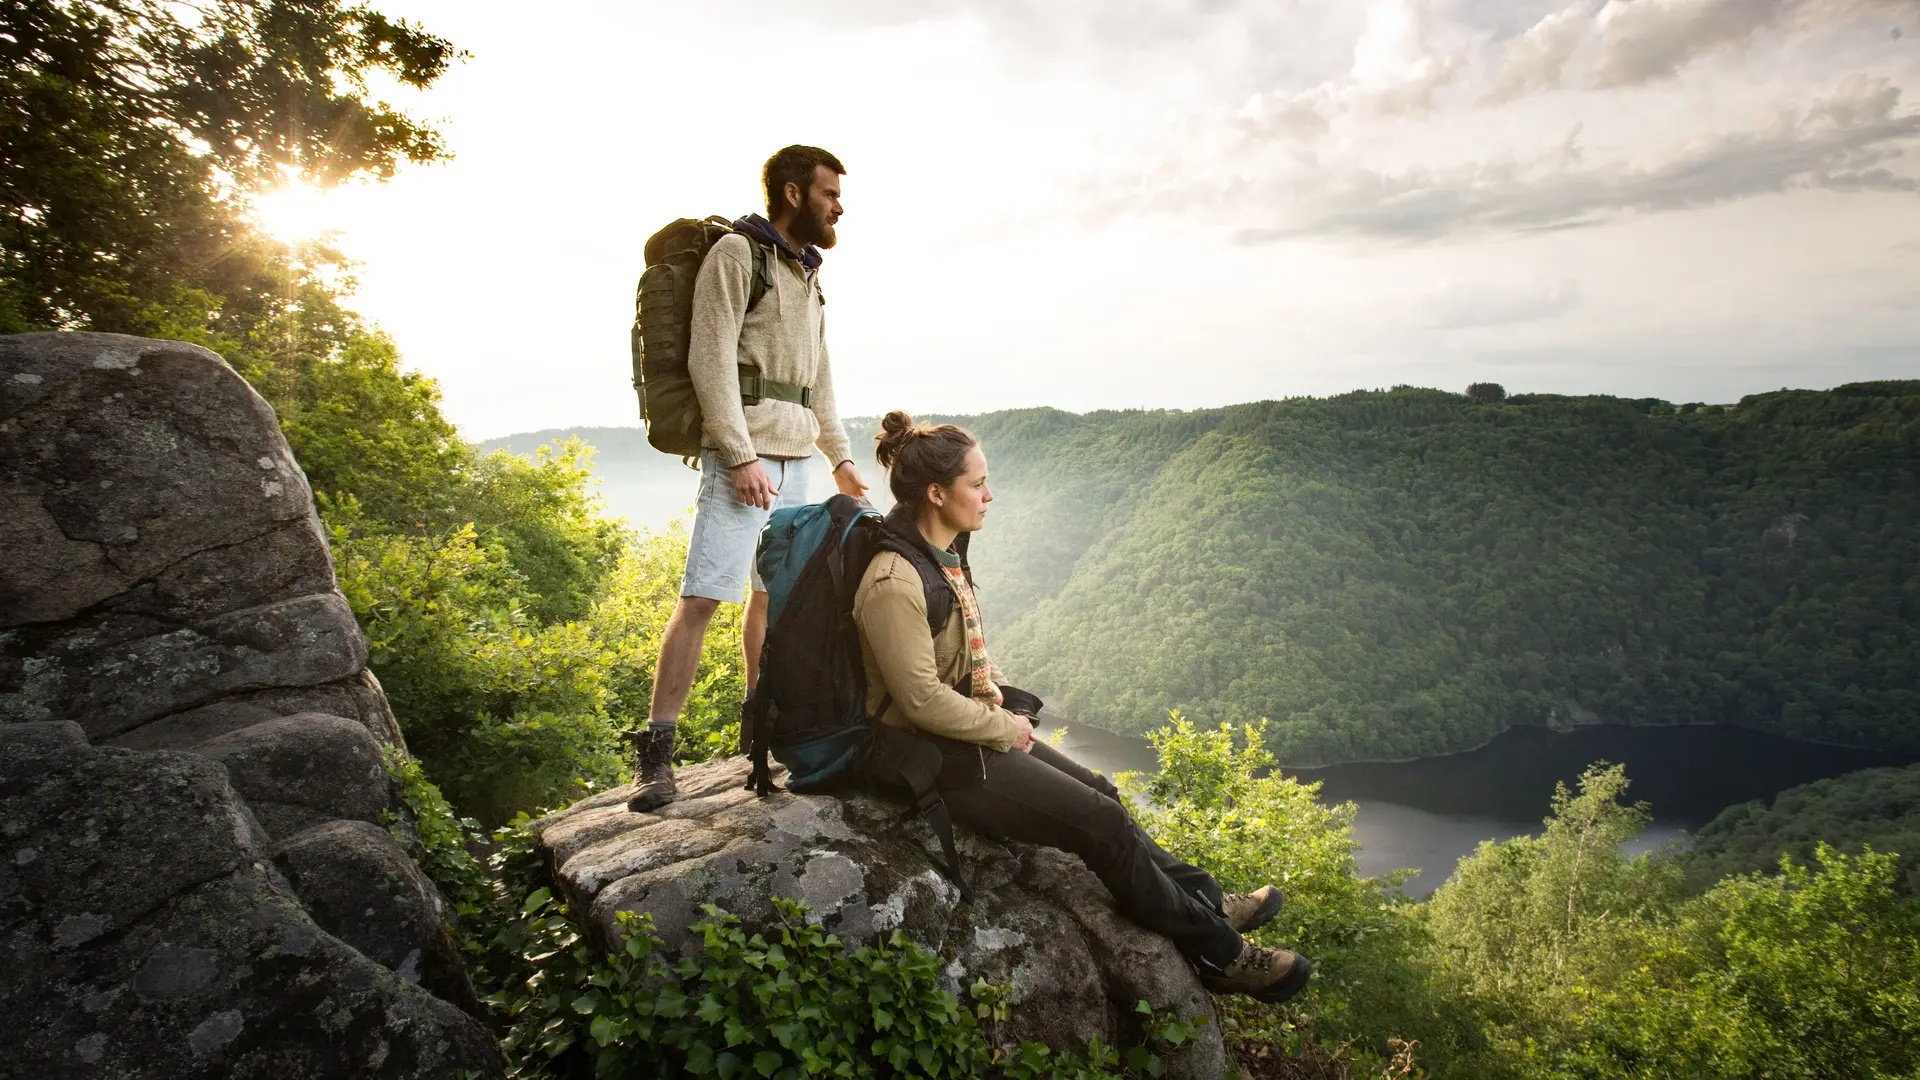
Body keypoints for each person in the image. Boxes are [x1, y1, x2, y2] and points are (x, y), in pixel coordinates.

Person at [851, 410, 1314, 1002]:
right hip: (933, 757)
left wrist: (1001, 705)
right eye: (977, 484)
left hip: (965, 735)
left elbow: (960, 656)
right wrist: (1002, 726)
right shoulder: (894, 578)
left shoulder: (941, 553)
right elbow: (918, 700)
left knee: (1104, 792)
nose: (990, 496)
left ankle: (1201, 896)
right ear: (937, 494)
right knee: (1101, 824)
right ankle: (1221, 955)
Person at [629, 146, 871, 812]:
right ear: (793, 193)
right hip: (746, 459)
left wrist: (841, 459)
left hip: (795, 462)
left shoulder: (808, 275)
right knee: (705, 596)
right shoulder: (739, 256)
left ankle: (759, 737)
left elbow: (818, 380)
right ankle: (657, 754)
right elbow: (710, 358)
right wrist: (737, 456)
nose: (838, 205)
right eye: (828, 193)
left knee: (775, 603)